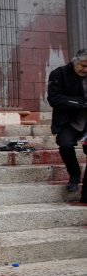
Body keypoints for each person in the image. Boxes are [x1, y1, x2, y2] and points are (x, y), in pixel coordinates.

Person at [47, 48, 87, 194]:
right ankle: (74, 176)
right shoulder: (59, 74)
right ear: (75, 62)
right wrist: (80, 103)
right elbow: (54, 99)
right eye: (83, 65)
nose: (85, 69)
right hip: (69, 120)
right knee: (65, 144)